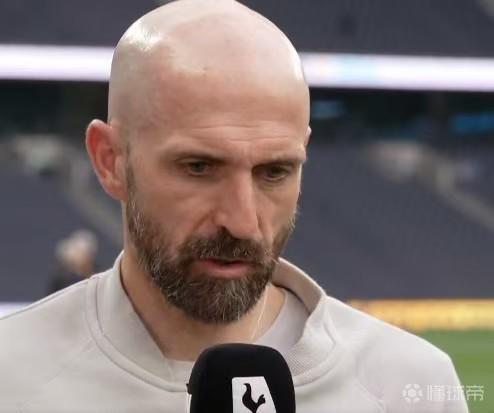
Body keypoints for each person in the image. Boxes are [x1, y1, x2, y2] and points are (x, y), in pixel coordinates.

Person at [0, 1, 468, 412]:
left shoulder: (411, 385)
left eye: (275, 171)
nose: (243, 223)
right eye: (199, 167)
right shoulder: (11, 377)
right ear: (110, 161)